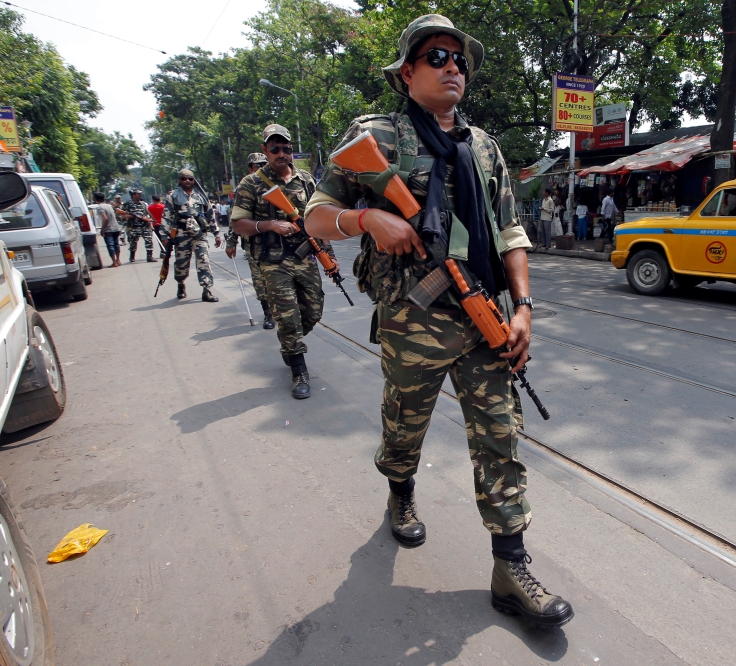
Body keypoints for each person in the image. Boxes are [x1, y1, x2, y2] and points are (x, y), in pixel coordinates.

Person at [303, 14, 573, 628]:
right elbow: (316, 216)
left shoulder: (483, 147)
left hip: (485, 317)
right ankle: (400, 490)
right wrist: (368, 221)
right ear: (407, 72)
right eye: (437, 56)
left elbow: (510, 231)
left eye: (460, 58)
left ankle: (511, 568)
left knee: (501, 437)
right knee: (406, 425)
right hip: (412, 321)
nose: (453, 66)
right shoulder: (377, 136)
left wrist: (524, 306)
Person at [231, 126, 328, 399]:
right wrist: (269, 225)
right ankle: (299, 369)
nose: (281, 153)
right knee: (287, 315)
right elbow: (238, 223)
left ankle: (289, 344)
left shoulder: (306, 180)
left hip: (306, 256)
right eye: (275, 148)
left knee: (313, 311)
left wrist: (327, 255)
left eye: (286, 148)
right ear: (265, 151)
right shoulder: (251, 184)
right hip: (273, 261)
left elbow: (318, 219)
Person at [225, 152, 275, 329]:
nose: (260, 168)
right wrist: (231, 243)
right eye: (256, 166)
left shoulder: (275, 183)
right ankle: (268, 314)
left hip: (277, 242)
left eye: (263, 164)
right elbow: (236, 219)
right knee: (260, 280)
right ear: (250, 168)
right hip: (254, 243)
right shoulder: (245, 187)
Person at [163, 169, 221, 302]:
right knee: (181, 263)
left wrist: (217, 234)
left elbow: (210, 215)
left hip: (200, 233)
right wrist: (164, 236)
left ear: (194, 180)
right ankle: (181, 284)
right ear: (179, 180)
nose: (187, 181)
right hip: (181, 234)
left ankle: (207, 290)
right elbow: (166, 216)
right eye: (184, 178)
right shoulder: (173, 196)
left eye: (190, 179)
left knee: (204, 260)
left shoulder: (201, 195)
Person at [120, 190, 156, 263]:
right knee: (133, 242)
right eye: (138, 194)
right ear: (133, 195)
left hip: (144, 226)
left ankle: (150, 256)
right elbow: (120, 214)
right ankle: (132, 256)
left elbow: (147, 214)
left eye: (140, 194)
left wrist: (150, 223)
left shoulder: (143, 204)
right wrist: (127, 216)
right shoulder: (128, 204)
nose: (140, 195)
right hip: (134, 226)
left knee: (148, 240)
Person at [93, 192, 122, 267]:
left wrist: (102, 229)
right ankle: (118, 260)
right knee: (116, 244)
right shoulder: (109, 206)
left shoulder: (100, 208)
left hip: (108, 229)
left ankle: (114, 262)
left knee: (110, 245)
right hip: (116, 228)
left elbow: (105, 218)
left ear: (96, 199)